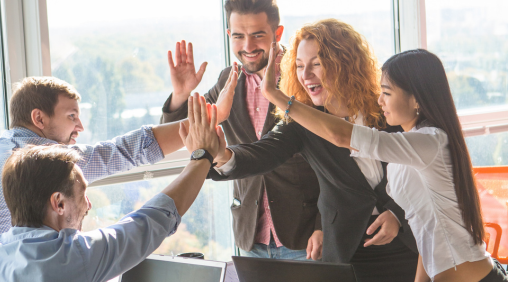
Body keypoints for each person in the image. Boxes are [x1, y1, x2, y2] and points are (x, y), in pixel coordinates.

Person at [0, 77, 187, 282]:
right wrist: (200, 126)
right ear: (39, 118)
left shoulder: (0, 146)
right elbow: (122, 152)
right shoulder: (30, 161)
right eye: (72, 115)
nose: (80, 126)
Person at [259, 47, 508, 282]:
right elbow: (424, 228)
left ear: (416, 100)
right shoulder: (410, 148)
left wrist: (278, 97)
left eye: (387, 93)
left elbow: (343, 136)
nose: (380, 101)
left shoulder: (430, 142)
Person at [210, 19, 419, 282]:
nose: (305, 75)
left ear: (344, 62)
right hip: (348, 252)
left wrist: (397, 214)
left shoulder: (387, 109)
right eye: (298, 66)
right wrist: (222, 156)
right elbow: (262, 153)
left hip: (407, 247)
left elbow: (423, 171)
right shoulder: (303, 123)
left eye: (316, 64)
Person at [0, 93, 225, 281]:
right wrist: (202, 157)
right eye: (83, 194)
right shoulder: (68, 258)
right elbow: (149, 222)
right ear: (58, 203)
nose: (88, 205)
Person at [160, 0, 322, 261]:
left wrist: (322, 224)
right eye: (238, 36)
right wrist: (181, 95)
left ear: (277, 34)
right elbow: (179, 134)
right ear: (229, 36)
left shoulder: (301, 77)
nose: (248, 47)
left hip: (305, 237)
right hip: (251, 236)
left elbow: (334, 159)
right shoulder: (228, 80)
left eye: (258, 35)